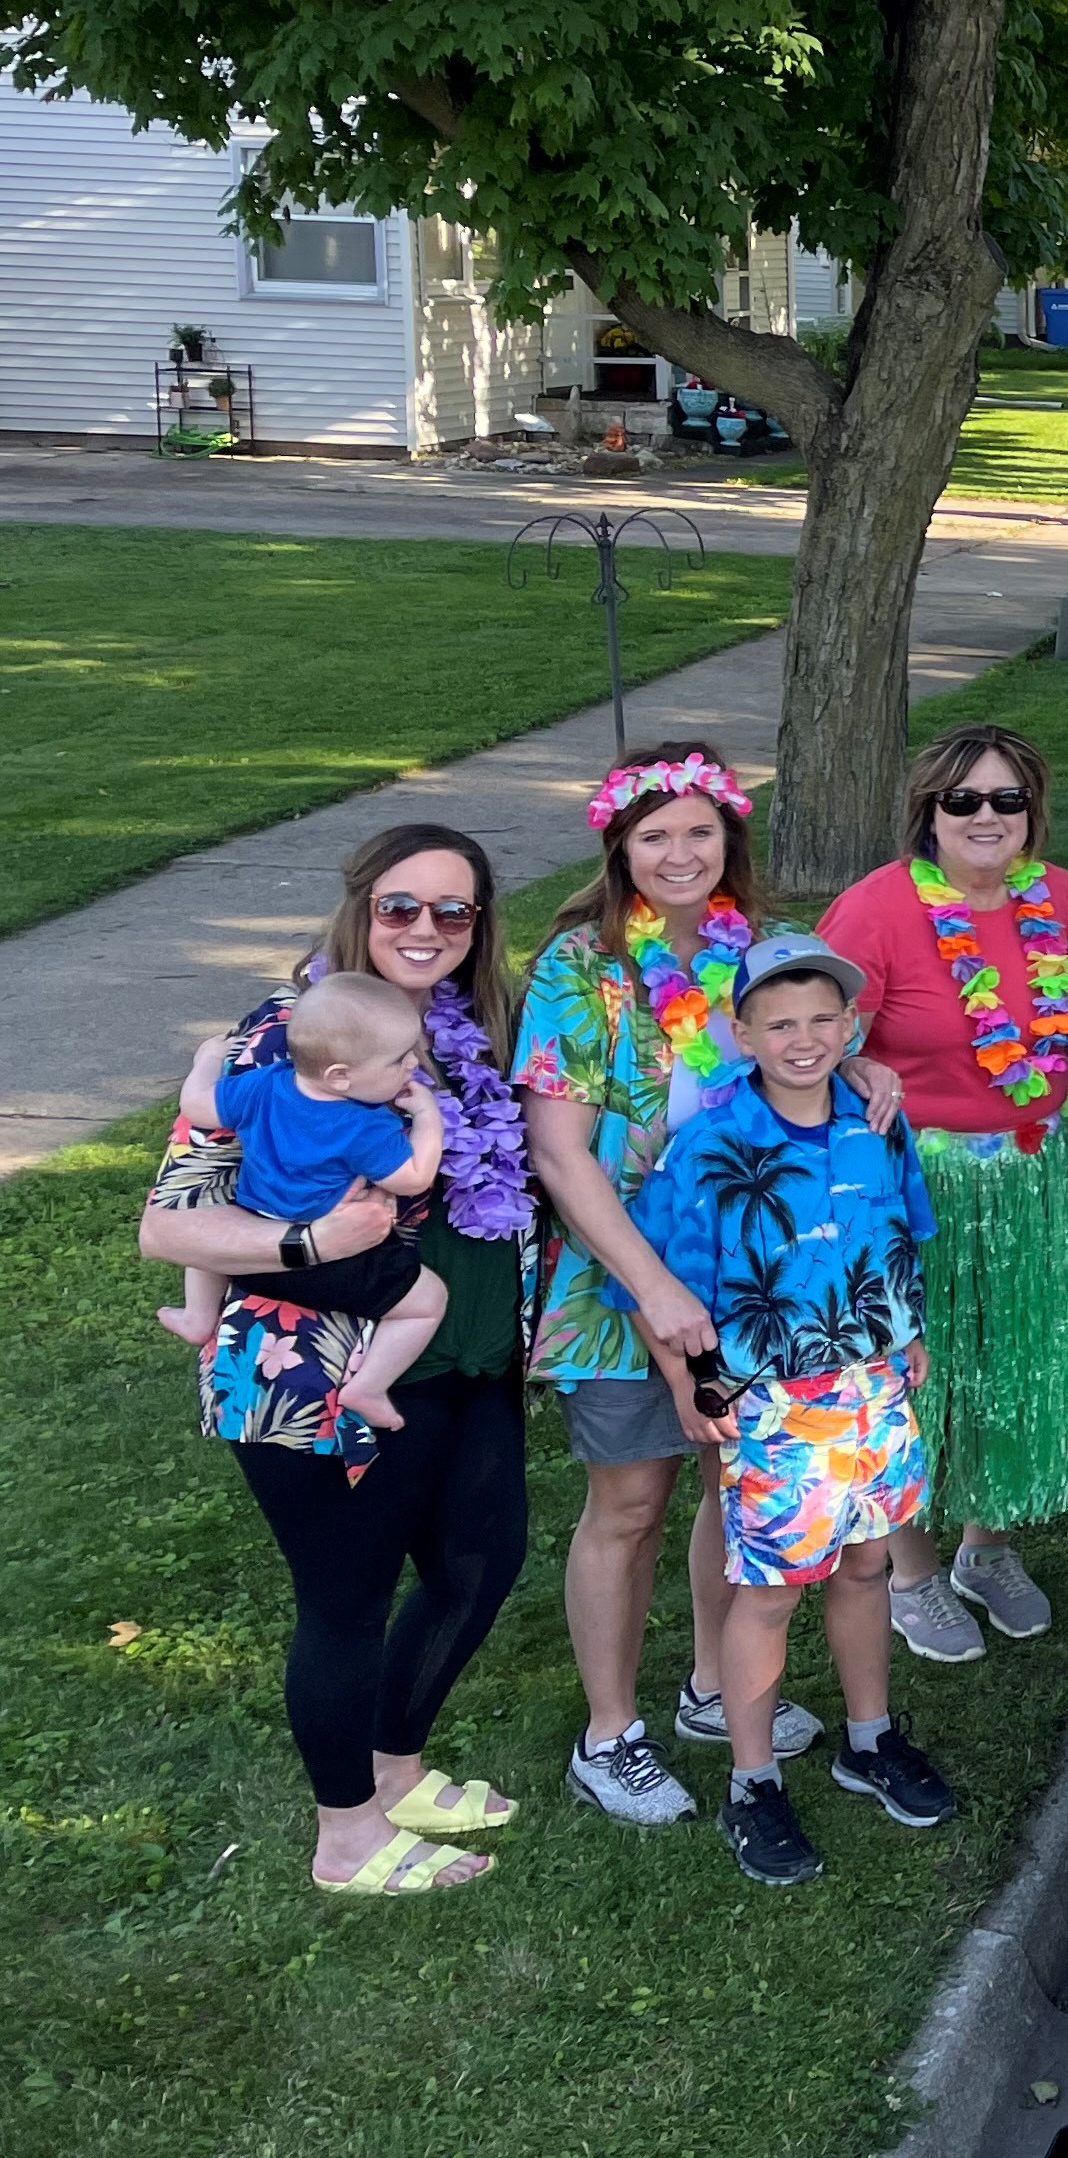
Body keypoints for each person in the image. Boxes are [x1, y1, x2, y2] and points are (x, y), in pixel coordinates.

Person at [143, 825, 540, 1895]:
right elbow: (169, 1225)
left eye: (450, 911)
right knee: (347, 1601)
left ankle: (397, 1769)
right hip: (316, 1374)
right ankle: (346, 1838)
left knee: (479, 1564)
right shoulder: (290, 1035)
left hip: (470, 1357)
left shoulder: (476, 1031)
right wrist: (311, 1243)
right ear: (362, 908)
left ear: (478, 923)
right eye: (400, 906)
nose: (424, 928)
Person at [517, 740, 886, 1826]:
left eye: (700, 832)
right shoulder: (582, 968)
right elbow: (562, 1153)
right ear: (619, 847)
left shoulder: (750, 954)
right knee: (629, 1499)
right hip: (619, 1273)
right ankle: (608, 1733)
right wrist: (654, 1290)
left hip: (750, 1277)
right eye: (654, 836)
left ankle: (714, 1691)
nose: (679, 855)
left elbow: (800, 1038)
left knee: (736, 1483)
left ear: (731, 838)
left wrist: (857, 1060)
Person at [630, 932, 960, 1886]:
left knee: (865, 1568)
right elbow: (658, 1281)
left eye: (824, 1018)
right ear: (742, 1033)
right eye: (779, 1022)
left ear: (852, 1025)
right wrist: (688, 1381)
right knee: (769, 1591)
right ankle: (753, 1782)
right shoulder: (713, 1146)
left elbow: (903, 1229)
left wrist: (907, 1331)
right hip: (772, 1403)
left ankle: (868, 1738)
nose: (804, 1038)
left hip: (875, 1390)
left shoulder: (875, 1117)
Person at [816, 723, 1068, 1664]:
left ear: (1032, 811)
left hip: (1033, 1166)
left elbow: (1066, 1025)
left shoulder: (1055, 892)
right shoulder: (874, 911)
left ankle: (985, 1547)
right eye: (963, 801)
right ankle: (910, 1569)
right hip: (922, 1175)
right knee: (928, 1367)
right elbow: (813, 1040)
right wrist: (863, 1067)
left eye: (1006, 800)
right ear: (929, 812)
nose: (986, 818)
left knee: (1017, 1357)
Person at [161, 971, 451, 1428]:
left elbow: (198, 1105)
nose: (412, 1066)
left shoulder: (265, 1085)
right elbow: (413, 1179)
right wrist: (428, 1121)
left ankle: (199, 1314)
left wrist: (209, 1060)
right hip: (330, 1263)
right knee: (428, 1300)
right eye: (399, 1060)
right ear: (340, 1077)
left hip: (251, 1247)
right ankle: (369, 1387)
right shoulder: (364, 1126)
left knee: (207, 1236)